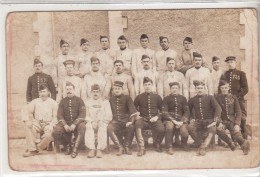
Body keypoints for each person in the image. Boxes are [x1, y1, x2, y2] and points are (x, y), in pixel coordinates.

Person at [215, 80, 250, 155]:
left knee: (237, 134)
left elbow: (238, 112)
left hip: (232, 121)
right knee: (218, 130)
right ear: (220, 88)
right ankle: (230, 142)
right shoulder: (216, 98)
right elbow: (215, 112)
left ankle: (244, 145)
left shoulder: (233, 97)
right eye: (222, 88)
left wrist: (237, 124)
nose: (224, 89)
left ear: (228, 88)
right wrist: (219, 122)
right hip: (222, 121)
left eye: (225, 88)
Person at [22, 84, 58, 157]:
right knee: (28, 126)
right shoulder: (35, 101)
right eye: (41, 92)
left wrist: (51, 125)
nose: (42, 94)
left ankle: (37, 148)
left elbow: (55, 117)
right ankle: (32, 149)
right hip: (37, 122)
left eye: (44, 91)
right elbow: (28, 111)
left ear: (48, 92)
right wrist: (29, 121)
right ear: (39, 93)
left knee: (50, 134)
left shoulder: (53, 103)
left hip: (48, 123)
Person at [52, 81, 86, 158]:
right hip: (66, 123)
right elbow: (59, 115)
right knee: (56, 131)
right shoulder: (62, 101)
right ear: (65, 91)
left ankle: (75, 149)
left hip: (76, 123)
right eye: (67, 89)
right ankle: (68, 145)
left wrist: (74, 124)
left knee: (82, 127)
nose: (69, 91)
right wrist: (65, 125)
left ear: (74, 90)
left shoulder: (79, 100)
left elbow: (82, 114)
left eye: (70, 89)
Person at [187, 80, 221, 156]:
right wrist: (191, 118)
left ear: (204, 89)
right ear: (195, 89)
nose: (200, 90)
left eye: (201, 88)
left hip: (209, 121)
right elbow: (188, 111)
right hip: (198, 121)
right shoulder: (192, 99)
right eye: (198, 88)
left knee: (212, 129)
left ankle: (203, 146)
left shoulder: (210, 98)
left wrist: (215, 121)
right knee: (190, 127)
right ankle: (202, 144)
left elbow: (218, 108)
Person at [134, 77, 165, 156]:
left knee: (161, 129)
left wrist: (157, 117)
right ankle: (142, 147)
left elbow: (163, 110)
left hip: (154, 119)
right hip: (143, 119)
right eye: (145, 85)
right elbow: (134, 109)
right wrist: (137, 115)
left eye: (149, 84)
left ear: (152, 86)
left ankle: (157, 143)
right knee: (137, 124)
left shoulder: (157, 97)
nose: (147, 86)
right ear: (143, 86)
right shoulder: (139, 97)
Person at [220, 56, 249, 139]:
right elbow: (221, 87)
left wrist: (238, 97)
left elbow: (246, 88)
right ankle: (235, 140)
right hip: (228, 101)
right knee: (231, 119)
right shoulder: (225, 74)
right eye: (228, 62)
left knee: (242, 119)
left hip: (239, 100)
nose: (230, 64)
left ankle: (244, 139)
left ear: (235, 62)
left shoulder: (241, 73)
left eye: (232, 62)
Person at [108, 81, 138, 156]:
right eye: (115, 89)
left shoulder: (127, 98)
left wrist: (130, 121)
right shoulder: (111, 100)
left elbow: (132, 111)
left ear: (122, 90)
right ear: (113, 90)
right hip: (115, 121)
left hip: (125, 121)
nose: (117, 90)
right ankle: (120, 147)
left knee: (131, 127)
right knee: (109, 128)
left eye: (118, 88)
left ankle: (127, 146)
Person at [84, 84, 112, 158]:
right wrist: (91, 121)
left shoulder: (105, 102)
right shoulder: (87, 102)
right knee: (88, 126)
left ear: (100, 93)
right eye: (94, 92)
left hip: (102, 122)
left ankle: (99, 149)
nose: (95, 93)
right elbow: (85, 115)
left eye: (97, 91)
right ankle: (92, 149)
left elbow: (109, 115)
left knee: (102, 127)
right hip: (91, 122)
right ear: (91, 93)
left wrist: (101, 121)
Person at [162, 82, 190, 154]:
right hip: (170, 119)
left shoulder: (183, 98)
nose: (174, 90)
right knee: (169, 127)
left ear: (179, 89)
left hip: (181, 120)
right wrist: (174, 121)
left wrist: (182, 121)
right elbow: (165, 112)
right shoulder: (166, 99)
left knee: (184, 131)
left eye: (176, 88)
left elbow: (187, 111)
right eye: (173, 88)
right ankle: (169, 147)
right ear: (170, 89)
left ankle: (183, 143)